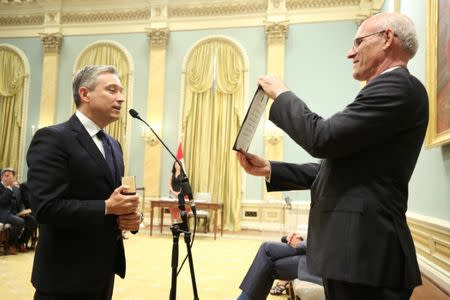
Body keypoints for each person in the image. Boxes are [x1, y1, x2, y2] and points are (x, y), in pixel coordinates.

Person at [237, 12, 428, 300]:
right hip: (355, 255)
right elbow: (337, 168)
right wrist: (271, 169)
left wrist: (284, 95)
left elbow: (322, 138)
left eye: (358, 42)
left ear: (387, 38)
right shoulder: (386, 89)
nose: (350, 52)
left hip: (366, 254)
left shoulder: (397, 86)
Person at [26, 65, 141, 299]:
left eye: (121, 91)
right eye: (112, 90)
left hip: (103, 272)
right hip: (64, 276)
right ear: (85, 94)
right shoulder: (53, 138)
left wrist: (130, 217)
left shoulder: (113, 145)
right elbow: (45, 208)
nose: (121, 98)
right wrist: (108, 207)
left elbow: (114, 199)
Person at [237, 233, 322, 300]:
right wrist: (299, 239)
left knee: (268, 260)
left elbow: (330, 245)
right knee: (267, 250)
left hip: (322, 264)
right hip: (313, 253)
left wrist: (300, 244)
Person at [0, 167, 31, 254]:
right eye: (6, 176)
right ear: (1, 177)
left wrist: (23, 210)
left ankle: (20, 243)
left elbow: (21, 202)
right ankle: (11, 244)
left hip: (16, 212)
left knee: (33, 221)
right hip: (3, 213)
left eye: (11, 176)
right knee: (20, 222)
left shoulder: (16, 189)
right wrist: (9, 188)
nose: (9, 178)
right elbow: (2, 201)